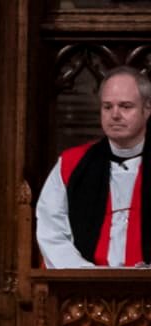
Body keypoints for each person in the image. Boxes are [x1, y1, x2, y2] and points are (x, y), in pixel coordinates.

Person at [37, 65, 151, 268]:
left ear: (147, 109)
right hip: (85, 290)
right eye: (107, 107)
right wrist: (85, 274)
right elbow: (51, 230)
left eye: (125, 106)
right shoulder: (72, 164)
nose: (115, 115)